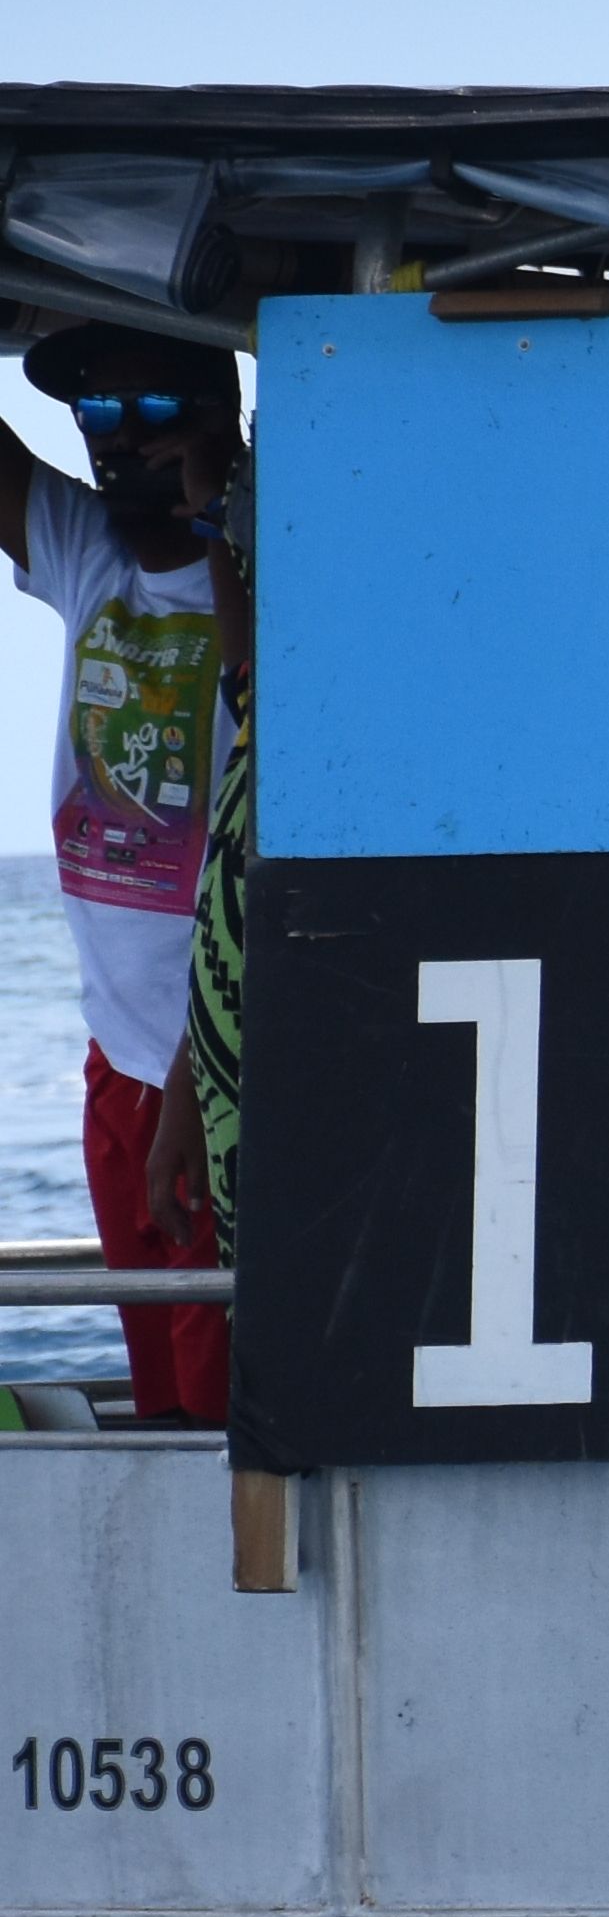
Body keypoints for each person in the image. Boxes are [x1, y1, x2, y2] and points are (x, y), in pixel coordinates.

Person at [3, 329, 241, 1421]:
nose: (113, 447)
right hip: (121, 1070)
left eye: (145, 416)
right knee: (158, 1407)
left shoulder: (277, 597)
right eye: (94, 418)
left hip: (228, 1069)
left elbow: (277, 870)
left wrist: (222, 514)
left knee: (218, 1416)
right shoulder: (89, 555)